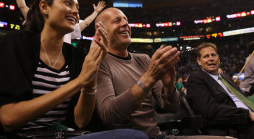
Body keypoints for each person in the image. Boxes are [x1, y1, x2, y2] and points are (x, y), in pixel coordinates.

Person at [0, 0, 147, 139]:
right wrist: (79, 82)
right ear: (45, 7)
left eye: (77, 7)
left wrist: (91, 74)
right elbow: (8, 118)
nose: (76, 12)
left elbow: (81, 121)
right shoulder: (16, 43)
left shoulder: (75, 56)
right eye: (68, 3)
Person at [94, 8, 226, 139]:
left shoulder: (144, 59)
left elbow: (172, 108)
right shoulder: (98, 63)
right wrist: (149, 77)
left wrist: (169, 86)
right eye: (116, 21)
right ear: (101, 31)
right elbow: (109, 114)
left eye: (126, 20)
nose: (125, 24)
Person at [187, 42, 254, 139]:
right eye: (206, 56)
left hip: (250, 120)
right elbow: (210, 110)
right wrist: (247, 115)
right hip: (234, 127)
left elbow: (245, 100)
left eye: (213, 55)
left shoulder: (225, 78)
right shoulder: (196, 78)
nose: (211, 59)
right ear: (199, 61)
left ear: (218, 58)